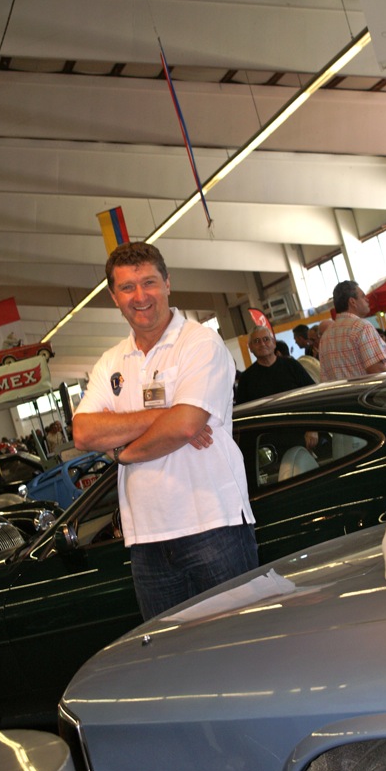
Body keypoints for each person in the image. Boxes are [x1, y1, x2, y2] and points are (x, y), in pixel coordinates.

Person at [73, 241, 257, 620]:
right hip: (147, 539)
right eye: (127, 287)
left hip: (214, 525)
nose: (140, 296)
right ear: (114, 297)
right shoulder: (110, 362)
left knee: (240, 641)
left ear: (168, 283)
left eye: (149, 282)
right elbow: (84, 433)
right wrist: (166, 414)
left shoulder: (199, 342)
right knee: (170, 651)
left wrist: (122, 450)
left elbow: (186, 425)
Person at [319, 281, 386, 381]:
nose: (367, 299)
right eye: (363, 296)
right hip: (370, 391)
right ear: (353, 302)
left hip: (343, 391)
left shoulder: (325, 337)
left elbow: (325, 378)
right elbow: (378, 372)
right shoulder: (361, 327)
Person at [235, 326, 315, 403]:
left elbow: (312, 391)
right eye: (256, 341)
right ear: (250, 347)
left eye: (266, 339)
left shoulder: (292, 365)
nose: (262, 344)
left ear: (274, 343)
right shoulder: (246, 379)